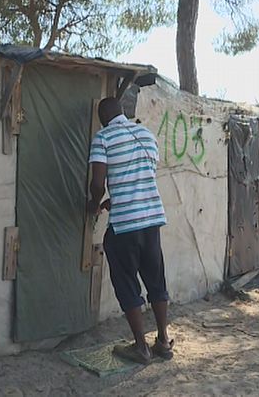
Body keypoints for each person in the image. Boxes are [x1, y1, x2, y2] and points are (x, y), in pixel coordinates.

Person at [87, 97, 173, 365]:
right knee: (156, 280)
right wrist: (118, 198)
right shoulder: (147, 135)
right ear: (122, 113)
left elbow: (98, 184)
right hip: (152, 220)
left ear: (102, 117)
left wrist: (93, 203)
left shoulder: (103, 138)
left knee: (126, 283)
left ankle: (140, 348)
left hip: (125, 225)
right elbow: (141, 177)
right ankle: (162, 341)